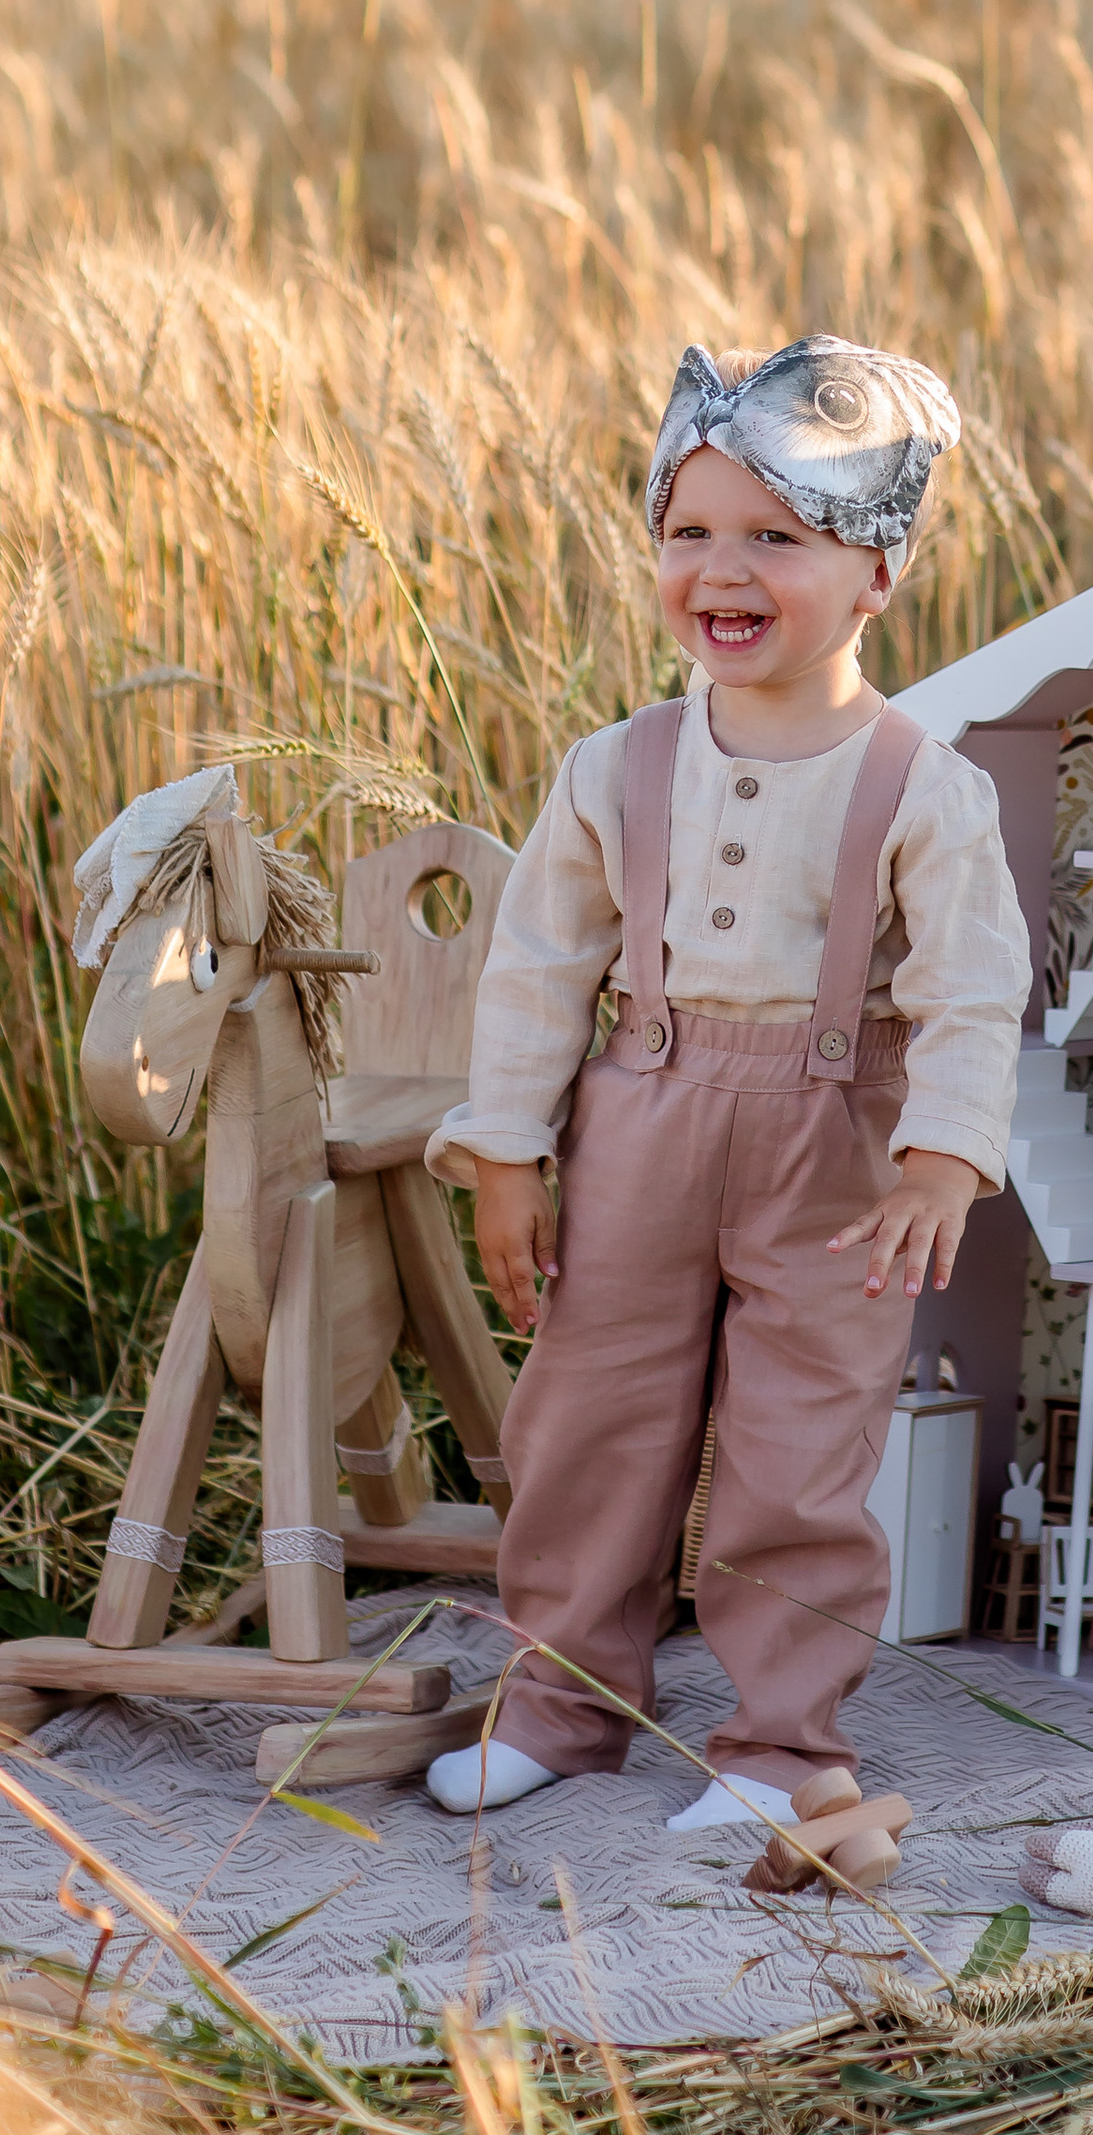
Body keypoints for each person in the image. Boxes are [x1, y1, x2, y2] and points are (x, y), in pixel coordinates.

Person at [419, 336, 1028, 1830]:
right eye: (689, 533)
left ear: (876, 574)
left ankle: (781, 1742)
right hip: (639, 1115)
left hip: (836, 1153)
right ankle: (564, 1703)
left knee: (798, 1447)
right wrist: (507, 1150)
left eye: (777, 537)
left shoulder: (920, 784)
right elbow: (538, 969)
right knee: (591, 1420)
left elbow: (970, 984)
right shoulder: (614, 768)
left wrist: (941, 1158)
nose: (723, 570)